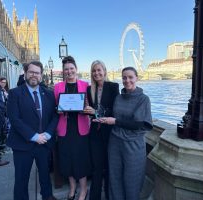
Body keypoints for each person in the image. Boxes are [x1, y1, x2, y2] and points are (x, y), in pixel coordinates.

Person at [96, 67, 153, 200]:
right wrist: (93, 111)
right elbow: (111, 114)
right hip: (115, 142)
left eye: (130, 77)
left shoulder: (143, 99)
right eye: (124, 78)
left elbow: (139, 124)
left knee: (132, 179)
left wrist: (115, 121)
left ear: (136, 78)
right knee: (115, 177)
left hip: (133, 144)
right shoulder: (119, 98)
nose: (127, 80)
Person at [7, 61, 59, 200]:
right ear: (25, 74)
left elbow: (55, 115)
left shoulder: (48, 94)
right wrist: (34, 136)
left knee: (45, 174)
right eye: (31, 72)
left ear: (41, 75)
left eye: (37, 72)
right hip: (23, 144)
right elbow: (14, 119)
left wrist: (48, 133)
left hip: (44, 143)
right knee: (21, 179)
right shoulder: (15, 93)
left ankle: (47, 196)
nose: (34, 75)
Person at [54, 56, 91, 200]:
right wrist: (57, 109)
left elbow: (91, 105)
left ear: (76, 70)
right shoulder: (57, 87)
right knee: (66, 159)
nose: (69, 71)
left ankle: (83, 190)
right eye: (66, 69)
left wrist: (87, 108)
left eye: (71, 69)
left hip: (80, 128)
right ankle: (72, 187)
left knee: (80, 159)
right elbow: (54, 107)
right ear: (63, 72)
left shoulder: (85, 85)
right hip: (64, 128)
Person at [83, 60, 119, 200]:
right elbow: (91, 113)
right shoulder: (89, 89)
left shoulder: (113, 86)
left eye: (99, 70)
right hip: (95, 133)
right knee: (96, 168)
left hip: (110, 133)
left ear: (104, 71)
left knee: (110, 168)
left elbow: (114, 110)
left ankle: (110, 196)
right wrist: (85, 110)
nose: (96, 73)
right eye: (94, 71)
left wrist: (96, 111)